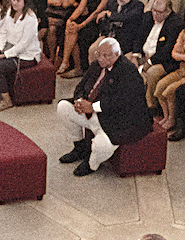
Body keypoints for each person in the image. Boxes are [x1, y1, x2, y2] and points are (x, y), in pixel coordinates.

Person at [57, 37, 154, 179]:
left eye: (106, 55)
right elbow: (81, 85)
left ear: (117, 55)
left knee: (102, 145)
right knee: (63, 108)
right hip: (94, 112)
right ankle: (79, 149)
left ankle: (92, 164)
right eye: (99, 54)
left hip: (119, 120)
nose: (101, 58)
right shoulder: (97, 65)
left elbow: (121, 101)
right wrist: (79, 100)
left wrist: (93, 107)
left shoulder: (127, 71)